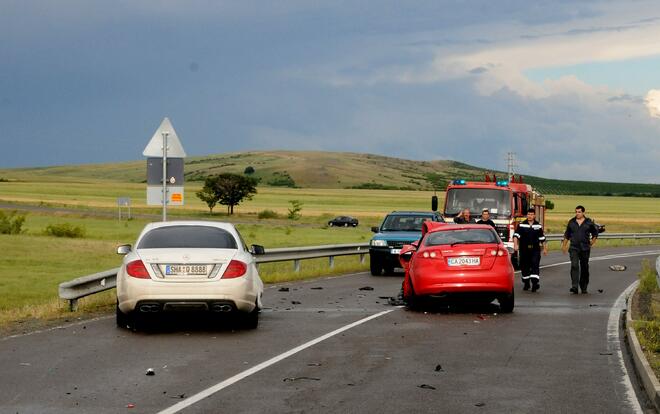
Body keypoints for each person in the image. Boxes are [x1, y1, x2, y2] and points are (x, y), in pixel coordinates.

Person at [562, 205, 599, 294]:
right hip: (574, 247)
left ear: (583, 213)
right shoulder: (571, 222)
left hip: (585, 248)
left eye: (579, 212)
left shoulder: (589, 222)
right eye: (576, 212)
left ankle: (584, 286)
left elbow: (595, 233)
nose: (577, 214)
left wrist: (592, 241)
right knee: (574, 265)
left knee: (584, 267)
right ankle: (574, 286)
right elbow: (567, 234)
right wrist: (564, 245)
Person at [513, 208, 547, 292]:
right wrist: (515, 245)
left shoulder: (538, 225)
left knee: (535, 265)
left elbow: (542, 238)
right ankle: (526, 283)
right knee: (525, 266)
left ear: (534, 215)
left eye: (531, 214)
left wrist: (545, 248)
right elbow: (516, 235)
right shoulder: (521, 225)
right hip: (524, 249)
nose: (530, 216)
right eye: (528, 214)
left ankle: (535, 284)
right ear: (527, 215)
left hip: (535, 249)